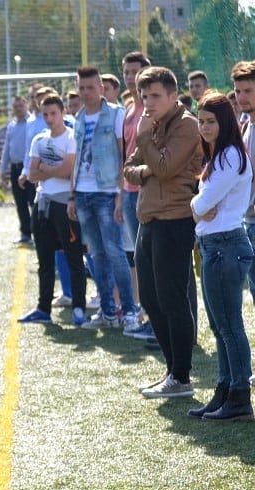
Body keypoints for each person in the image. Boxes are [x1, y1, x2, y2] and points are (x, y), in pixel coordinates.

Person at [123, 66, 204, 399]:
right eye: (144, 96)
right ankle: (173, 372)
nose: (148, 102)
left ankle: (182, 376)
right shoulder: (151, 125)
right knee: (151, 299)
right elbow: (130, 169)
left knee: (172, 299)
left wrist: (146, 146)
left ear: (173, 95)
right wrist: (150, 171)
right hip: (149, 219)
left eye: (155, 96)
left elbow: (168, 168)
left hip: (176, 219)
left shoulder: (188, 126)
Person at [187, 92, 254, 420]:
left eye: (210, 121)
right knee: (219, 325)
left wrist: (197, 205)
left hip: (226, 245)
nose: (204, 127)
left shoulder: (229, 156)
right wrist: (200, 206)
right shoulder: (219, 156)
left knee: (229, 325)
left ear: (225, 121)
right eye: (201, 121)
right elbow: (202, 206)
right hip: (214, 246)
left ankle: (240, 396)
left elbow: (199, 205)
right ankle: (225, 390)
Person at [68, 65, 139, 332]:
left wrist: (121, 193)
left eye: (90, 87)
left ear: (101, 88)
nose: (85, 92)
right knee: (96, 255)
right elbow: (77, 159)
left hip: (108, 193)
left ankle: (129, 311)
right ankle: (107, 310)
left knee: (115, 253)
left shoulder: (116, 114)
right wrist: (73, 196)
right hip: (83, 194)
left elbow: (124, 155)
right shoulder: (79, 117)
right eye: (81, 87)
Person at [18, 94, 87, 325]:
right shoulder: (38, 139)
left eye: (53, 113)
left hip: (65, 203)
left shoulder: (71, 137)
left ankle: (79, 306)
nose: (49, 118)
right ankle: (43, 308)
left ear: (63, 112)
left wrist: (44, 169)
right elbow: (31, 175)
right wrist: (50, 169)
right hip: (42, 203)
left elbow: (68, 171)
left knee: (74, 256)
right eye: (45, 114)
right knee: (45, 261)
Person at [119, 52, 154, 342]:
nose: (130, 77)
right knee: (138, 259)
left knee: (150, 259)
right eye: (127, 72)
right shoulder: (128, 108)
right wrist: (121, 197)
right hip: (129, 193)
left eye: (135, 71)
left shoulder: (153, 108)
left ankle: (156, 319)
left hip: (147, 192)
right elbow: (125, 157)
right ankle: (146, 314)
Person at [231, 60, 255, 304]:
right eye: (238, 91)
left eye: (248, 90)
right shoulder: (246, 126)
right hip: (247, 222)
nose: (241, 97)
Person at [0, 95, 33, 244]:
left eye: (20, 106)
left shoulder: (31, 123)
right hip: (15, 168)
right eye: (15, 106)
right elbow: (7, 148)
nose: (18, 109)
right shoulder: (11, 126)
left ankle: (39, 234)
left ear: (26, 105)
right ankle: (25, 234)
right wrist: (2, 168)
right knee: (20, 203)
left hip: (31, 169)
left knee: (33, 202)